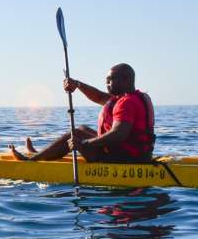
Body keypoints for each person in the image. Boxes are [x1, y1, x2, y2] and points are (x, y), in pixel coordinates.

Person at [10, 63, 155, 164]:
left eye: (110, 80)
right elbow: (98, 97)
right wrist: (77, 84)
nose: (107, 83)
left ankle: (31, 160)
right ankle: (41, 154)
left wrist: (84, 143)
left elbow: (119, 134)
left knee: (76, 135)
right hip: (137, 154)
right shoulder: (135, 97)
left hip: (124, 159)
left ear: (125, 80)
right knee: (82, 129)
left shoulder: (127, 102)